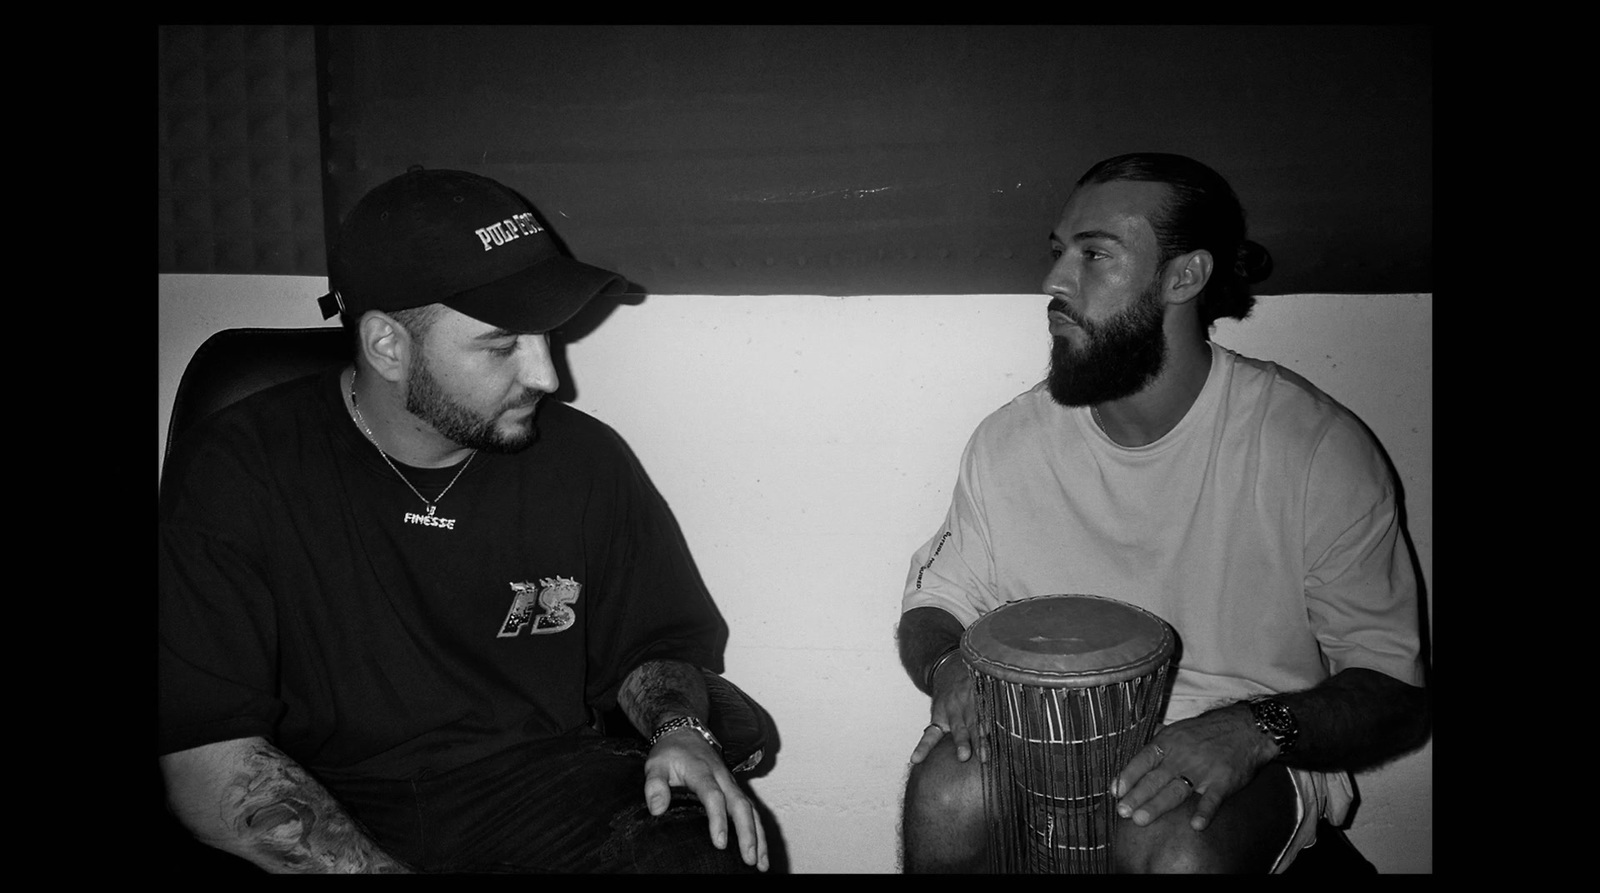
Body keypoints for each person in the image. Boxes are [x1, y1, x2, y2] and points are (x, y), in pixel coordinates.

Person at [158, 167, 769, 873]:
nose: (547, 377)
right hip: (322, 793)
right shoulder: (240, 468)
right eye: (502, 344)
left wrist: (681, 728)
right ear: (389, 345)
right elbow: (206, 753)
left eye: (547, 336)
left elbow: (650, 645)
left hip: (540, 786)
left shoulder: (584, 460)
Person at [896, 152, 1430, 873]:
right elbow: (938, 600)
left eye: (1095, 255)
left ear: (1185, 276)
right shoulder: (1009, 442)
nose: (1053, 281)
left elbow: (1394, 688)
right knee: (945, 795)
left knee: (1173, 840)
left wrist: (1249, 730)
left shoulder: (1314, 450)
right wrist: (948, 662)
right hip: (1047, 729)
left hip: (1249, 739)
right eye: (1059, 253)